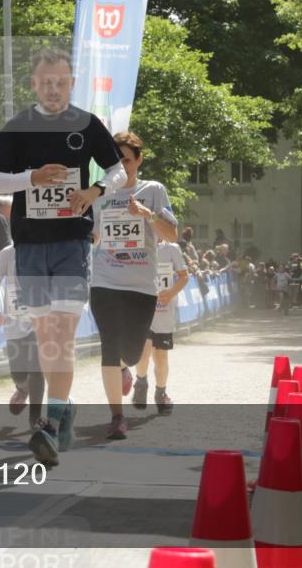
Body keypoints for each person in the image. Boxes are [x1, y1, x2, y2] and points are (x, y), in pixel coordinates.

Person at [0, 47, 126, 466]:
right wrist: (32, 178)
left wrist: (95, 191)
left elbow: (116, 170)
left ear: (71, 84)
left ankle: (50, 420)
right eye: (45, 82)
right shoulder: (19, 127)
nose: (53, 89)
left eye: (60, 82)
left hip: (72, 241)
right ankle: (62, 410)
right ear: (34, 84)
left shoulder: (87, 124)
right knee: (46, 335)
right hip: (29, 244)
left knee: (61, 332)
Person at [90, 131, 179, 440]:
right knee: (109, 348)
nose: (121, 166)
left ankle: (127, 368)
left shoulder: (153, 190)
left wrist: (147, 214)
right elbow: (95, 235)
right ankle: (117, 417)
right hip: (104, 281)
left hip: (141, 285)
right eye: (115, 161)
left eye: (126, 160)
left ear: (139, 160)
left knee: (131, 351)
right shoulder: (99, 193)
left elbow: (171, 235)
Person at [0, 244, 44, 427]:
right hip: (14, 320)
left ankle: (35, 417)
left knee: (36, 368)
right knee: (18, 372)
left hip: (40, 316)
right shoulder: (7, 252)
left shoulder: (45, 248)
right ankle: (22, 388)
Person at [133, 237, 189, 415]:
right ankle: (141, 383)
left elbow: (184, 276)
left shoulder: (171, 249)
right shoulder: (135, 243)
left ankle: (161, 392)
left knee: (161, 356)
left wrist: (171, 292)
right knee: (144, 348)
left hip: (164, 309)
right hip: (142, 306)